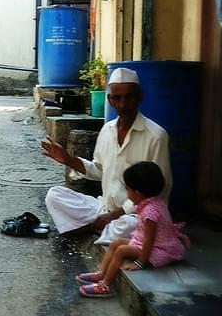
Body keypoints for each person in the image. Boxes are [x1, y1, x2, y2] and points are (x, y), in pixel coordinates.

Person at [41, 67, 171, 239]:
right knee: (54, 196)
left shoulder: (156, 135)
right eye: (117, 98)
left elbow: (159, 190)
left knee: (130, 226)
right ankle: (101, 228)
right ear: (110, 100)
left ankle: (94, 228)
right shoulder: (107, 130)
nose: (123, 104)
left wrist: (118, 214)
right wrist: (68, 160)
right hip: (104, 207)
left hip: (137, 215)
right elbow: (99, 170)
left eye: (128, 97)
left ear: (139, 97)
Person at [77, 161, 189, 298]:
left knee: (121, 250)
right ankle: (101, 273)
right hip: (148, 244)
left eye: (128, 189)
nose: (127, 193)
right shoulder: (151, 203)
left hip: (159, 250)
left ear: (137, 193)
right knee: (116, 243)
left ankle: (105, 285)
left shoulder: (150, 212)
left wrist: (139, 262)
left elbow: (149, 239)